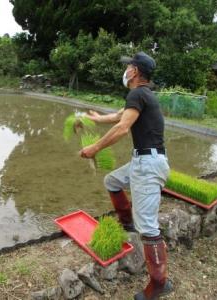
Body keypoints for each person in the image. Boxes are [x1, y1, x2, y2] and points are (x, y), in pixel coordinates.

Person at [80, 52, 173, 300]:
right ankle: (127, 222)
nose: (126, 70)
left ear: (135, 72)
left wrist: (94, 149)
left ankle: (159, 283)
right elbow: (118, 116)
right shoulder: (142, 95)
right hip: (144, 160)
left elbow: (122, 127)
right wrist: (96, 118)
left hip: (148, 164)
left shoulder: (137, 93)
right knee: (112, 181)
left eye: (129, 66)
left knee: (149, 227)